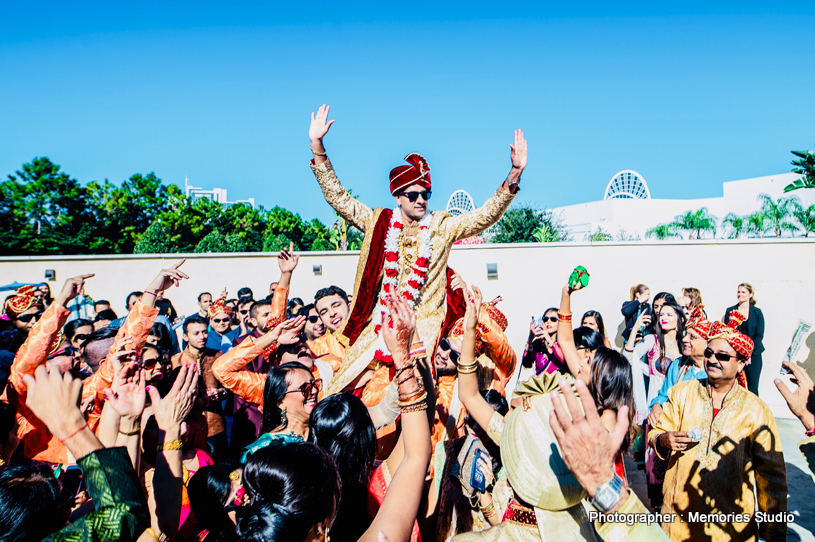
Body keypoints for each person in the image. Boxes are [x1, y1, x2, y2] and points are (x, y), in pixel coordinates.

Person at [308, 104, 525, 403]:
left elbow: (482, 217)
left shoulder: (442, 226)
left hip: (424, 326)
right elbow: (340, 199)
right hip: (381, 324)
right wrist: (318, 147)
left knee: (419, 400)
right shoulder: (379, 222)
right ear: (397, 196)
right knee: (340, 391)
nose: (421, 200)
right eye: (413, 195)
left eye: (426, 194)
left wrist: (514, 174)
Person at [649, 319, 787, 541]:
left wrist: (774, 534)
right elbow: (656, 434)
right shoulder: (682, 393)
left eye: (722, 356)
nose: (712, 360)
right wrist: (664, 440)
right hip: (676, 521)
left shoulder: (755, 410)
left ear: (741, 364)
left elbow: (772, 479)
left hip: (729, 529)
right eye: (709, 353)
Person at [174, 314, 228, 461]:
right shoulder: (176, 361)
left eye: (204, 332)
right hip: (189, 425)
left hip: (215, 423)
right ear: (185, 337)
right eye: (196, 333)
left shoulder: (217, 356)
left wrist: (221, 392)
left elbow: (228, 386)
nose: (202, 336)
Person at [623, 300, 686, 421]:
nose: (663, 318)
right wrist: (635, 328)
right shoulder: (652, 340)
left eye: (669, 315)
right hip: (653, 406)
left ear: (680, 320)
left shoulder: (685, 346)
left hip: (678, 408)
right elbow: (628, 358)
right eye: (661, 315)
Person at [723, 283, 765, 395]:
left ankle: (754, 411)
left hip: (754, 354)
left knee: (753, 388)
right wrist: (741, 353)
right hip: (736, 354)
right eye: (739, 292)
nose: (740, 294)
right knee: (734, 386)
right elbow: (729, 333)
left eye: (743, 292)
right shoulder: (730, 311)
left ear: (750, 294)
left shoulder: (757, 312)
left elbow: (759, 336)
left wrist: (748, 353)